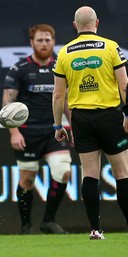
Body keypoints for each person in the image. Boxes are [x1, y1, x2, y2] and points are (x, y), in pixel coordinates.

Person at [53, 6, 128, 240]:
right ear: (97, 23)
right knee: (122, 172)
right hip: (110, 116)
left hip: (81, 119)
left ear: (75, 26)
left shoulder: (64, 52)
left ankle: (95, 229)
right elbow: (124, 85)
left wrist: (58, 126)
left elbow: (58, 95)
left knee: (90, 174)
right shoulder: (111, 46)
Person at [2, 24, 72, 235]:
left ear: (53, 41)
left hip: (55, 131)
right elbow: (8, 103)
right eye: (40, 40)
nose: (44, 43)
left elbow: (67, 99)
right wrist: (14, 132)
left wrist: (74, 126)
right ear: (31, 43)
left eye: (48, 40)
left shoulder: (61, 66)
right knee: (28, 180)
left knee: (64, 172)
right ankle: (26, 226)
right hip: (27, 133)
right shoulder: (19, 68)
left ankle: (49, 221)